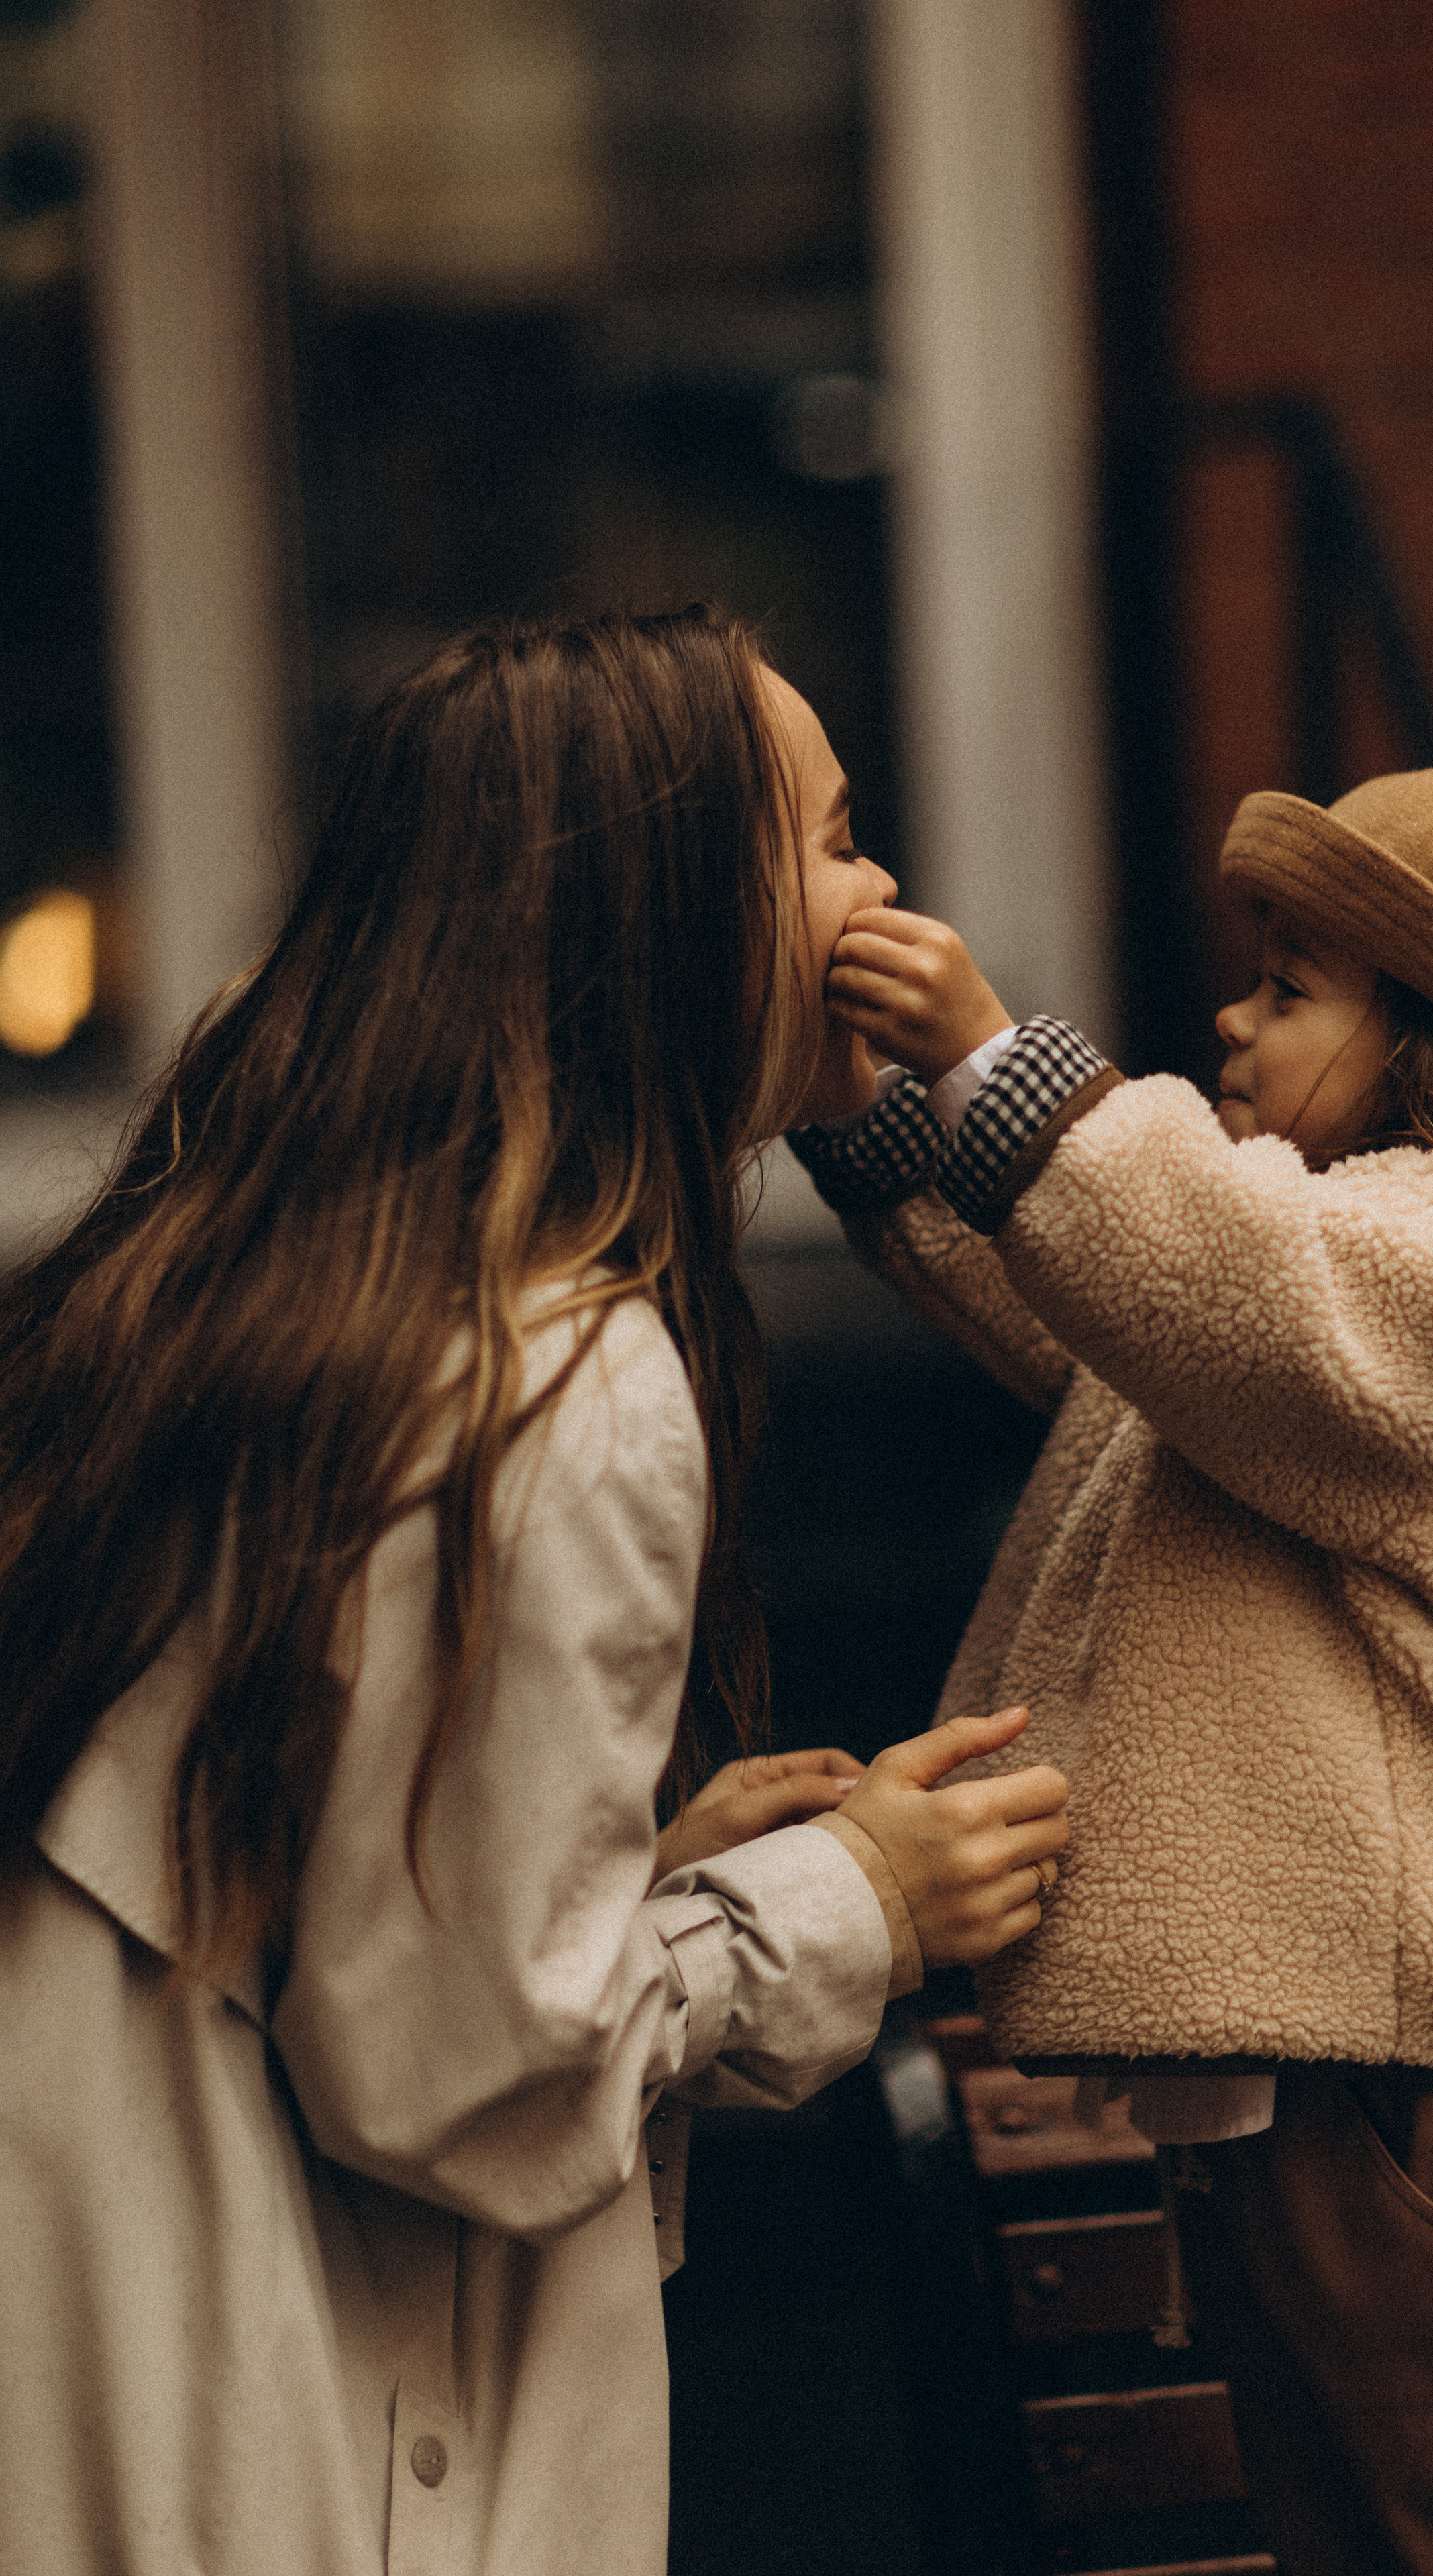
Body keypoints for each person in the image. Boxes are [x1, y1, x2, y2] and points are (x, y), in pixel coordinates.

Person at [0, 607, 1070, 2576]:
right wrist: (852, 1906)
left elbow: (346, 1931)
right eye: (832, 840)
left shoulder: (272, 1290)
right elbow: (466, 2077)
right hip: (270, 2433)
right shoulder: (564, 1379)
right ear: (669, 910)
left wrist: (631, 1892)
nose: (885, 885)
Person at [790, 764, 1433, 2574]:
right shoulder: (1311, 1296)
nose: (1231, 1014)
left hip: (1416, 2070)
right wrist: (881, 1121)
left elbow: (1203, 1266)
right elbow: (1101, 1314)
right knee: (1366, 2538)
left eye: (1291, 989)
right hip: (1354, 2054)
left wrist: (1000, 1062)